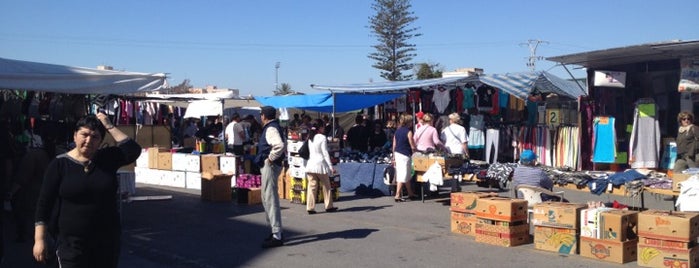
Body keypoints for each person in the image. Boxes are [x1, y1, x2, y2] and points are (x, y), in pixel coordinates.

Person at [33, 113, 141, 267]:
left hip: (106, 243)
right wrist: (40, 239)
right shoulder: (59, 165)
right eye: (84, 134)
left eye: (95, 137)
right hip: (71, 245)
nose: (88, 140)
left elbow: (133, 150)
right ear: (75, 135)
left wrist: (108, 125)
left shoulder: (107, 159)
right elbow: (44, 204)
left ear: (101, 141)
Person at [254, 106, 286, 248]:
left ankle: (276, 234)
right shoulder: (274, 127)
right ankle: (274, 231)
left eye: (261, 115)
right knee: (266, 197)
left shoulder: (271, 128)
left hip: (270, 166)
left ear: (264, 116)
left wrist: (270, 159)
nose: (260, 117)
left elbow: (279, 145)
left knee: (270, 198)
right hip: (271, 165)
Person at [304, 119, 338, 214]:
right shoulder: (322, 138)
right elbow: (325, 153)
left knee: (312, 187)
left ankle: (310, 207)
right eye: (323, 126)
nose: (324, 128)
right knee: (326, 186)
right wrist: (331, 166)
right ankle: (329, 206)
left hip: (310, 164)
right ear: (320, 127)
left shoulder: (310, 137)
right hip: (320, 165)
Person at [392, 114, 417, 202]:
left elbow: (394, 144)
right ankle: (397, 195)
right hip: (405, 154)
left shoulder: (397, 131)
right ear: (408, 122)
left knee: (406, 174)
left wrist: (393, 156)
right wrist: (416, 150)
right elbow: (412, 144)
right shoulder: (409, 132)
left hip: (398, 153)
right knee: (403, 175)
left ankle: (410, 193)